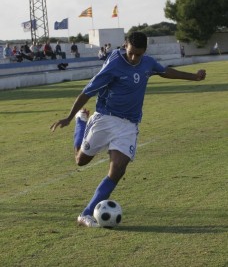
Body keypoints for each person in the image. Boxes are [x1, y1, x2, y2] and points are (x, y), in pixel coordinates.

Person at [50, 31, 206, 228]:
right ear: (125, 46)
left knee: (118, 169)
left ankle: (86, 213)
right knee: (80, 161)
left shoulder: (147, 62)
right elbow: (87, 91)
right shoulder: (113, 64)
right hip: (105, 118)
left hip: (129, 125)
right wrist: (69, 117)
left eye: (138, 54)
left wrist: (194, 77)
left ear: (144, 52)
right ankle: (81, 122)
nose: (134, 58)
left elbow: (165, 71)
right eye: (131, 53)